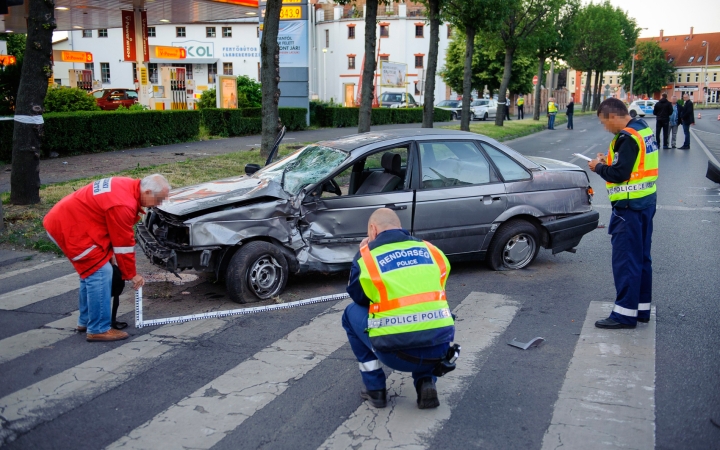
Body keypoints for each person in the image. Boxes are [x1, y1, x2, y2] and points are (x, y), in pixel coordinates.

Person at [342, 208, 456, 409]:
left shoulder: (367, 257)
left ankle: (375, 389)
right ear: (400, 228)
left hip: (395, 354)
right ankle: (425, 381)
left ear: (372, 229)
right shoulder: (433, 251)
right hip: (439, 350)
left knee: (349, 314)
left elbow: (359, 298)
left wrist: (360, 254)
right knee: (425, 319)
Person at [44, 174, 171, 342]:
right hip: (71, 229)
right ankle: (98, 328)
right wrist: (131, 274)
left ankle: (86, 321)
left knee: (90, 274)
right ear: (147, 192)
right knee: (100, 273)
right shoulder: (123, 204)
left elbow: (109, 224)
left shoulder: (127, 185)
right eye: (159, 200)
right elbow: (123, 245)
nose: (158, 205)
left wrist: (109, 255)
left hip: (68, 222)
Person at [587, 98, 658, 329]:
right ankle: (640, 309)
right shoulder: (642, 129)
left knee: (626, 261)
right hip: (645, 203)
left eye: (604, 123)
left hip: (628, 209)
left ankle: (624, 315)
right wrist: (607, 160)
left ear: (613, 116)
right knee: (642, 259)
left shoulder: (626, 138)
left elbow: (619, 174)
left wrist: (598, 167)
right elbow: (634, 165)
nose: (605, 128)